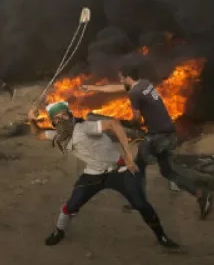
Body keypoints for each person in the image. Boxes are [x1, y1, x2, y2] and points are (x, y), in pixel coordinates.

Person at [27, 102, 180, 249]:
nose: (61, 120)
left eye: (64, 115)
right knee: (71, 206)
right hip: (94, 174)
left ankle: (162, 237)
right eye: (57, 118)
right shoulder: (59, 136)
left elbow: (113, 124)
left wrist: (127, 154)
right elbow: (38, 134)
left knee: (141, 204)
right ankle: (59, 231)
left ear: (71, 115)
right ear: (53, 122)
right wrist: (31, 120)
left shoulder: (84, 127)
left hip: (119, 171)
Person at [82, 63, 214, 219]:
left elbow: (136, 119)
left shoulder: (135, 93)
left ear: (127, 77)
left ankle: (138, 202)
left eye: (121, 77)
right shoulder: (144, 84)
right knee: (167, 172)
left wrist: (125, 124)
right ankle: (201, 194)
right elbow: (116, 88)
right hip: (169, 133)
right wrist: (92, 88)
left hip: (157, 137)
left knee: (137, 167)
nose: (120, 79)